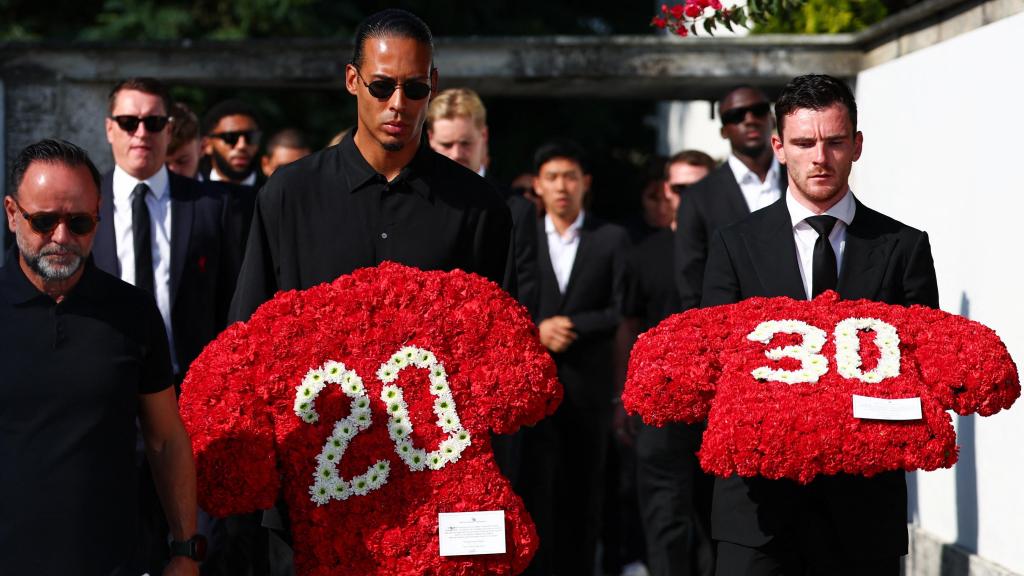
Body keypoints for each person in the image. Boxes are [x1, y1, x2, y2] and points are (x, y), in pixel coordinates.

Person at [224, 9, 513, 575]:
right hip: (309, 487)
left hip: (435, 489)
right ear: (352, 80)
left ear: (434, 83)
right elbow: (247, 344)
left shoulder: (479, 207)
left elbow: (496, 362)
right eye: (382, 86)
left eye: (414, 87)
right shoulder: (290, 196)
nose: (397, 104)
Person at [701, 74, 939, 576]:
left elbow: (923, 368)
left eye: (833, 142)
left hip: (864, 506)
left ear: (856, 145)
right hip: (757, 508)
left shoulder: (903, 246)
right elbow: (718, 364)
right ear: (779, 147)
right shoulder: (733, 243)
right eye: (804, 143)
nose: (820, 157)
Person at [1, 139, 201, 576]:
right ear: (13, 213)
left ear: (99, 216)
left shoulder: (132, 312)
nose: (62, 237)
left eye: (78, 222)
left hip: (115, 562)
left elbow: (166, 439)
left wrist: (186, 548)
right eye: (43, 221)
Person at [92, 77, 240, 574]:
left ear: (168, 128)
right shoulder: (80, 211)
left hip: (192, 411)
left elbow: (235, 311)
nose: (141, 133)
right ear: (110, 129)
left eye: (153, 122)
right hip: (106, 410)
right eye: (130, 122)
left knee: (199, 549)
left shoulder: (212, 207)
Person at [516, 138, 629, 576]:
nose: (561, 186)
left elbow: (621, 309)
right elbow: (508, 300)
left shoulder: (611, 237)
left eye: (569, 177)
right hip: (533, 393)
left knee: (585, 498)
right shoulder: (522, 238)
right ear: (537, 186)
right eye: (551, 178)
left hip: (589, 389)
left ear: (585, 183)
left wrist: (573, 325)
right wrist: (538, 329)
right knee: (534, 493)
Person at [621, 150, 716, 576]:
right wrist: (620, 399)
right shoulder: (643, 253)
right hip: (658, 408)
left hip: (721, 408)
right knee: (666, 525)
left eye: (699, 187)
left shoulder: (736, 252)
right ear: (665, 191)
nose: (689, 197)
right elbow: (628, 325)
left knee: (723, 526)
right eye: (680, 188)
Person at [675, 85, 788, 311]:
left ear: (771, 118)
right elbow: (691, 278)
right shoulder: (698, 197)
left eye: (758, 110)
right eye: (736, 115)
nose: (749, 120)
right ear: (723, 131)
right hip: (731, 330)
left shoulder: (801, 179)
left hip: (805, 330)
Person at [200, 99, 266, 188]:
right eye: (230, 137)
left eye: (251, 137)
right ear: (207, 145)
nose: (242, 145)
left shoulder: (274, 192)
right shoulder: (190, 191)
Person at [426, 87, 489, 175]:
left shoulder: (504, 188)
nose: (456, 154)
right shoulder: (409, 188)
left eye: (465, 143)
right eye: (446, 145)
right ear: (430, 139)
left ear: (484, 135)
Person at [167, 102, 202, 179]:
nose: (173, 170)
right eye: (164, 164)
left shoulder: (222, 191)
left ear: (201, 148)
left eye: (182, 161)